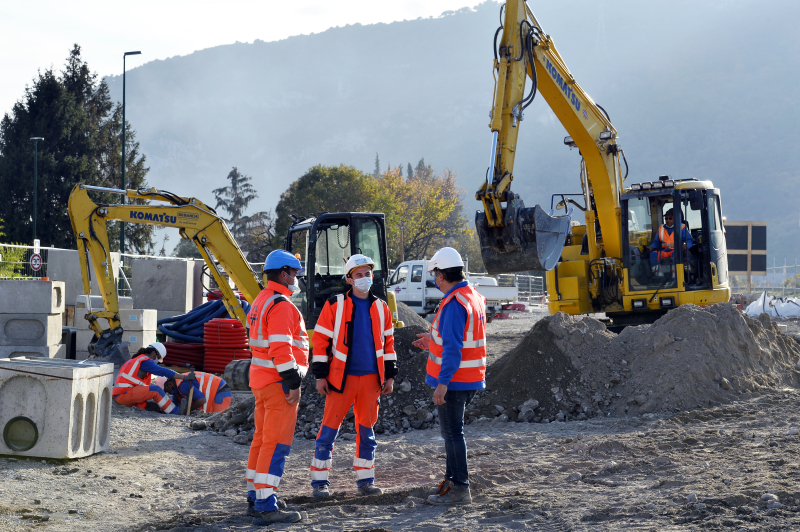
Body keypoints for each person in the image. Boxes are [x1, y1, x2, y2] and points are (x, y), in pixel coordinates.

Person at [308, 254, 397, 498]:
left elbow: (388, 345)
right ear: (349, 279)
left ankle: (366, 481)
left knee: (367, 433)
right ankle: (320, 483)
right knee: (328, 432)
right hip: (339, 380)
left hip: (371, 380)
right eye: (358, 275)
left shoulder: (382, 307)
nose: (364, 278)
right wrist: (320, 376)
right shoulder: (334, 305)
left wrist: (390, 376)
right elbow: (320, 341)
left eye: (367, 273)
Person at [412, 247, 486, 506]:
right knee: (454, 433)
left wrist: (442, 385)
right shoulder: (472, 296)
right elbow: (459, 340)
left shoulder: (455, 303)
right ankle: (452, 482)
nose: (434, 280)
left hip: (455, 381)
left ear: (441, 275)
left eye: (435, 274)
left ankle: (460, 489)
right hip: (470, 376)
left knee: (453, 435)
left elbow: (454, 350)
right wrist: (432, 341)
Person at [244, 250, 309, 525]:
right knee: (276, 444)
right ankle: (266, 506)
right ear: (284, 273)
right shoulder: (281, 305)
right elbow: (282, 349)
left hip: (261, 381)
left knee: (261, 441)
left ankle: (255, 497)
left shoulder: (260, 300)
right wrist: (293, 383)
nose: (296, 279)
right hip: (278, 383)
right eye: (294, 274)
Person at [113, 343, 195, 415]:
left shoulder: (134, 360)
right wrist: (184, 377)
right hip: (124, 394)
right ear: (153, 353)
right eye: (158, 357)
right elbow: (163, 371)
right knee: (156, 390)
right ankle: (176, 412)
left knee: (144, 405)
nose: (157, 361)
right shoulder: (145, 361)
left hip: (121, 395)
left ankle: (162, 409)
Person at [155, 371, 233, 413]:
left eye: (166, 390)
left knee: (219, 417)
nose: (168, 393)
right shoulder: (177, 387)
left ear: (169, 384)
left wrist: (187, 410)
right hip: (220, 389)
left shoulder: (182, 385)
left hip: (221, 390)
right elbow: (175, 406)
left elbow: (201, 400)